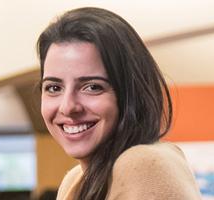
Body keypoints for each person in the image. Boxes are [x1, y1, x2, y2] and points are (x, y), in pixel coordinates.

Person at [37, 7, 202, 200]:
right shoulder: (78, 179)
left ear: (129, 93)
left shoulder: (143, 165)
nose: (67, 107)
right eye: (54, 88)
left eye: (92, 87)